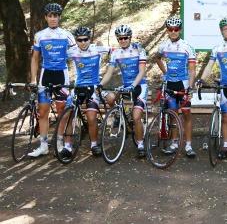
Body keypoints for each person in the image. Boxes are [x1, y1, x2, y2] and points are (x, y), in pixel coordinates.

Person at [28, 3, 76, 158]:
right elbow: (35, 59)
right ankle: (43, 145)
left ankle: (60, 143)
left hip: (62, 75)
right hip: (46, 75)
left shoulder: (67, 35)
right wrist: (33, 80)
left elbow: (76, 58)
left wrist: (75, 77)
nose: (53, 18)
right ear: (46, 17)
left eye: (56, 16)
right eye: (50, 16)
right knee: (43, 112)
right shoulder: (39, 35)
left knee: (63, 111)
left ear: (59, 17)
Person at [197, 17, 227, 160]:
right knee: (225, 117)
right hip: (224, 86)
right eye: (225, 29)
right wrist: (202, 79)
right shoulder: (217, 48)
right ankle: (225, 146)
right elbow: (209, 66)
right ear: (221, 31)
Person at [62, 26, 112, 157]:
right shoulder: (72, 51)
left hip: (93, 87)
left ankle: (94, 144)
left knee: (91, 117)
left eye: (85, 39)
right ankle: (67, 146)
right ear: (76, 40)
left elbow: (115, 51)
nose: (83, 42)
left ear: (90, 39)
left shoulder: (97, 49)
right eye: (79, 40)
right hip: (78, 87)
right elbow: (56, 58)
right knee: (68, 115)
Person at [100, 25, 148, 157]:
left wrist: (133, 84)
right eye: (120, 38)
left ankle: (140, 144)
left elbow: (142, 71)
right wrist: (100, 84)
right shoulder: (116, 53)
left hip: (140, 85)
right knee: (110, 98)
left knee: (136, 116)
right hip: (125, 85)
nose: (123, 40)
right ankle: (118, 115)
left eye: (125, 38)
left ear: (130, 37)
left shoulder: (138, 49)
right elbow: (109, 72)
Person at [155, 16, 197, 158]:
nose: (173, 32)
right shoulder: (163, 46)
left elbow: (192, 70)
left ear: (180, 30)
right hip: (169, 84)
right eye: (170, 29)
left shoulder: (187, 47)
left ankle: (189, 145)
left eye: (176, 29)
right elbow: (157, 57)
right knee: (173, 114)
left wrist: (190, 87)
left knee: (186, 114)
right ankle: (174, 143)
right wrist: (165, 72)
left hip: (183, 84)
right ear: (167, 30)